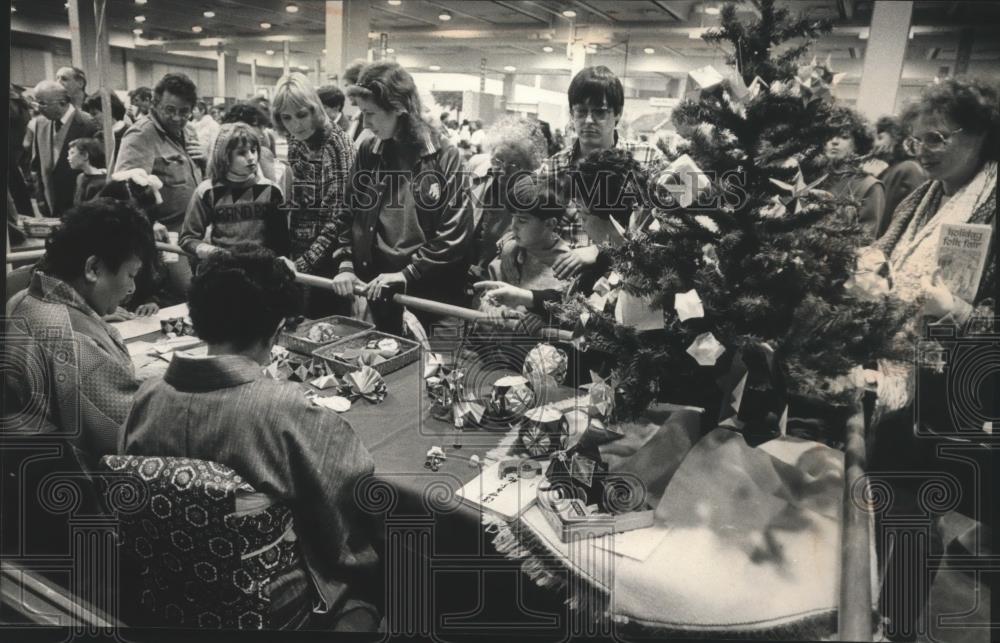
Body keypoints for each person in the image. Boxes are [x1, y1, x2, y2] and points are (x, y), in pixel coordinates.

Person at [119, 245, 381, 631]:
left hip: (168, 596)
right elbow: (350, 499)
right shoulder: (284, 409)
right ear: (276, 330)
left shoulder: (147, 397)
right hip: (269, 610)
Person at [297, 62, 473, 335]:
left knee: (432, 373)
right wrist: (345, 264)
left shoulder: (444, 156)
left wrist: (407, 273)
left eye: (371, 114)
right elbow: (348, 212)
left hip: (431, 295)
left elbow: (455, 233)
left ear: (399, 109)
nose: (365, 124)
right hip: (378, 288)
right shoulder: (370, 149)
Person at [5, 199, 155, 465]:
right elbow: (134, 433)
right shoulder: (76, 341)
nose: (131, 289)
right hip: (84, 489)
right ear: (93, 268)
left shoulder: (18, 300)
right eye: (131, 275)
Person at [541, 66, 667, 276]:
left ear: (617, 114)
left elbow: (677, 220)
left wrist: (600, 249)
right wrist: (509, 243)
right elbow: (530, 218)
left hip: (629, 281)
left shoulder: (648, 158)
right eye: (581, 111)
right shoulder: (554, 167)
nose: (588, 120)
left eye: (599, 112)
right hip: (563, 283)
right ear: (572, 113)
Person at [272, 72, 356, 317]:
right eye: (286, 118)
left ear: (314, 109)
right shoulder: (295, 138)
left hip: (330, 259)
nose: (295, 124)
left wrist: (302, 264)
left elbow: (340, 218)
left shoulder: (338, 144)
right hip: (299, 249)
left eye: (301, 115)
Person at [115, 73, 203, 299]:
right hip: (167, 238)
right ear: (154, 104)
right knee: (186, 293)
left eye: (184, 111)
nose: (177, 117)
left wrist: (206, 158)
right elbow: (121, 189)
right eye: (170, 109)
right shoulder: (140, 135)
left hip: (194, 231)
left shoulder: (187, 131)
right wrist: (149, 223)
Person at [180, 122, 289, 260]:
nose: (251, 157)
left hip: (261, 268)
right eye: (241, 153)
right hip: (223, 269)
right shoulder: (207, 191)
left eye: (254, 150)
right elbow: (188, 238)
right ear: (224, 156)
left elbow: (281, 242)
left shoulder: (271, 190)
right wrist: (211, 251)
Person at [468, 115, 549, 277]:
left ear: (531, 165)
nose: (503, 171)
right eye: (498, 160)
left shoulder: (536, 192)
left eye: (514, 165)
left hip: (500, 277)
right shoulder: (477, 165)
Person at [488, 174, 571, 293]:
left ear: (549, 224)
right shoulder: (510, 250)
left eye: (522, 220)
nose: (513, 226)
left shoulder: (566, 264)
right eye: (513, 217)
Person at [29, 80, 99, 217]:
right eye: (36, 103)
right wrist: (40, 199)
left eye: (42, 103)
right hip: (49, 207)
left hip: (78, 207)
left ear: (62, 102)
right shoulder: (40, 123)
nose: (38, 108)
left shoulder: (88, 124)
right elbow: (36, 166)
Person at [823, 107, 886, 241]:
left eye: (844, 137)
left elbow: (865, 240)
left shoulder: (870, 186)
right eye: (829, 135)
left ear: (857, 144)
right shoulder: (814, 178)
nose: (834, 141)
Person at [871, 113, 928, 239]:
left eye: (880, 138)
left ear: (896, 139)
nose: (874, 144)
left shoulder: (908, 169)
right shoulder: (890, 170)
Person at [219, 101, 291, 192]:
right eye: (260, 127)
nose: (262, 134)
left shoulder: (220, 152)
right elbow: (271, 188)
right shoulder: (262, 152)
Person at [82, 91, 129, 159]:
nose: (91, 118)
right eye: (90, 114)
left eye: (94, 114)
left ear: (109, 111)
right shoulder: (98, 136)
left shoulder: (128, 133)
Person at [68, 137, 107, 205]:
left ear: (85, 155)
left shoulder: (102, 182)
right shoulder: (80, 178)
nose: (68, 158)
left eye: (72, 153)